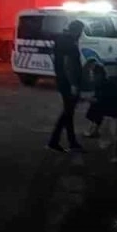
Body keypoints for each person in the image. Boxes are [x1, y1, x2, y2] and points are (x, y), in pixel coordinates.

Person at [48, 20, 86, 153]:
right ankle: (56, 141)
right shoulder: (69, 44)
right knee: (68, 112)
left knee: (69, 112)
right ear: (76, 31)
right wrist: (73, 84)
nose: (80, 35)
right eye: (80, 32)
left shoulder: (61, 40)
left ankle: (69, 141)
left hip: (63, 81)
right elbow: (69, 65)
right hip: (68, 83)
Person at [85, 63, 117, 138]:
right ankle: (93, 128)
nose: (91, 77)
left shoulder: (106, 84)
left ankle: (94, 130)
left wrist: (90, 99)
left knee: (97, 106)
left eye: (93, 75)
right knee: (95, 105)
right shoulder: (100, 84)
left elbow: (102, 100)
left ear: (99, 75)